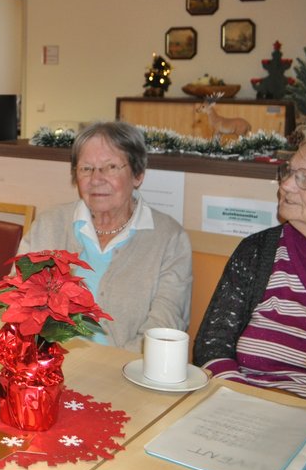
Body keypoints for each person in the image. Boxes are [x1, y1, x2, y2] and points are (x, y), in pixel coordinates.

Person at [19, 121, 192, 351]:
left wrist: (109, 369)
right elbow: (16, 300)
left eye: (111, 167)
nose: (96, 179)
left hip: (126, 374)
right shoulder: (49, 225)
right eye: (86, 168)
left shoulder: (170, 239)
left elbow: (164, 327)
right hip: (46, 364)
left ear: (138, 174)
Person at [194, 126, 306, 401]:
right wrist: (244, 400)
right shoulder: (257, 251)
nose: (285, 186)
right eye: (289, 172)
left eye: (305, 178)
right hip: (243, 408)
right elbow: (211, 346)